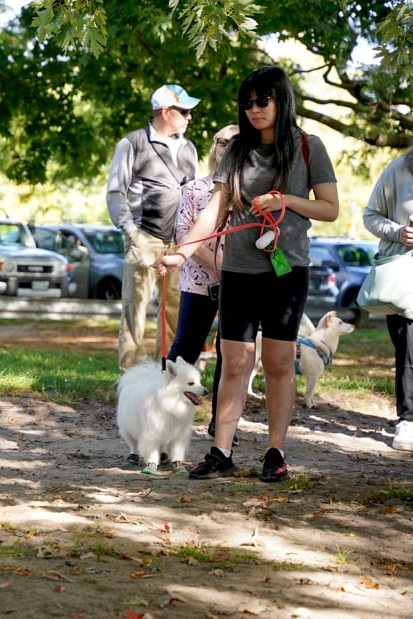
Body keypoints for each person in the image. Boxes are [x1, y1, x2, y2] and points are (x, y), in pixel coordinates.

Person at [154, 66, 339, 481]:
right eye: (247, 103)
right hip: (237, 270)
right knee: (234, 361)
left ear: (281, 100)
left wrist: (286, 200)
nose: (254, 110)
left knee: (277, 362)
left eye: (262, 101)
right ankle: (221, 451)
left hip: (287, 270)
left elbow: (330, 208)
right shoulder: (237, 149)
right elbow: (213, 212)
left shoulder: (309, 146)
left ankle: (275, 452)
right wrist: (180, 255)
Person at [107, 84, 200, 370]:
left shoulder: (189, 148)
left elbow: (193, 195)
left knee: (175, 309)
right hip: (144, 236)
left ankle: (169, 371)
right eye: (184, 111)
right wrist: (131, 232)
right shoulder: (132, 143)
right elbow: (115, 191)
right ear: (166, 112)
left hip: (178, 242)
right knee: (135, 309)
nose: (189, 117)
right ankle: (129, 373)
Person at [165, 125, 239, 439]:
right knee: (185, 347)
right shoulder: (195, 188)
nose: (227, 148)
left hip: (240, 284)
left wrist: (235, 269)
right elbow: (183, 234)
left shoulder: (252, 192)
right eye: (222, 143)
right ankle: (160, 406)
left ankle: (220, 425)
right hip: (198, 280)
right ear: (214, 148)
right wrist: (217, 265)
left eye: (235, 143)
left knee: (231, 352)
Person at [362, 149, 413, 451]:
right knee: (408, 346)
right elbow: (371, 216)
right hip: (403, 276)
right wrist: (399, 232)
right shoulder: (398, 169)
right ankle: (407, 419)